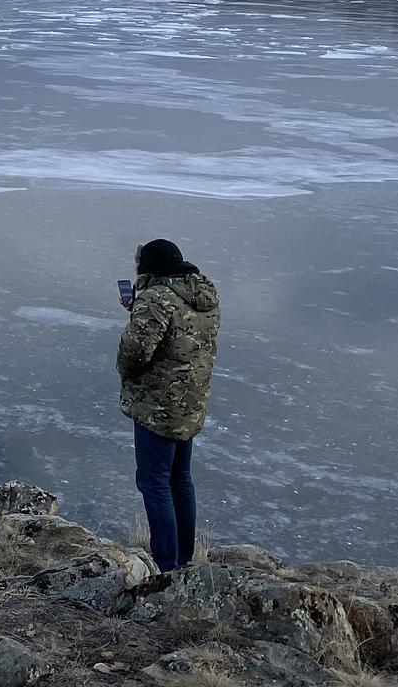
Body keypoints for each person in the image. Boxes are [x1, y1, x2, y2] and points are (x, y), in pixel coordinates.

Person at [116, 238, 220, 572]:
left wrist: (140, 308)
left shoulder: (156, 299)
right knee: (180, 480)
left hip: (157, 408)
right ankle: (184, 559)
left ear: (149, 269)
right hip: (189, 405)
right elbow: (180, 338)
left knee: (154, 481)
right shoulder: (204, 297)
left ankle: (164, 563)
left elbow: (134, 354)